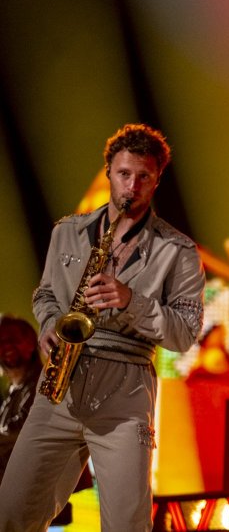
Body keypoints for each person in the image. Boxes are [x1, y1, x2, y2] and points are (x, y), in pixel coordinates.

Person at [0, 124, 206, 532]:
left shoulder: (178, 251)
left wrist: (133, 301)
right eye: (124, 174)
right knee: (11, 513)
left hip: (125, 396)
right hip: (58, 387)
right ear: (109, 171)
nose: (132, 186)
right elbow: (45, 295)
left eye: (143, 177)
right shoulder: (67, 232)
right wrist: (47, 324)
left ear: (156, 179)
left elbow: (185, 333)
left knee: (127, 524)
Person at [0, 316, 43, 475]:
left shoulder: (43, 384)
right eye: (1, 341)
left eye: (13, 338)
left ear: (32, 342)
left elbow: (23, 429)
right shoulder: (13, 389)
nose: (6, 346)